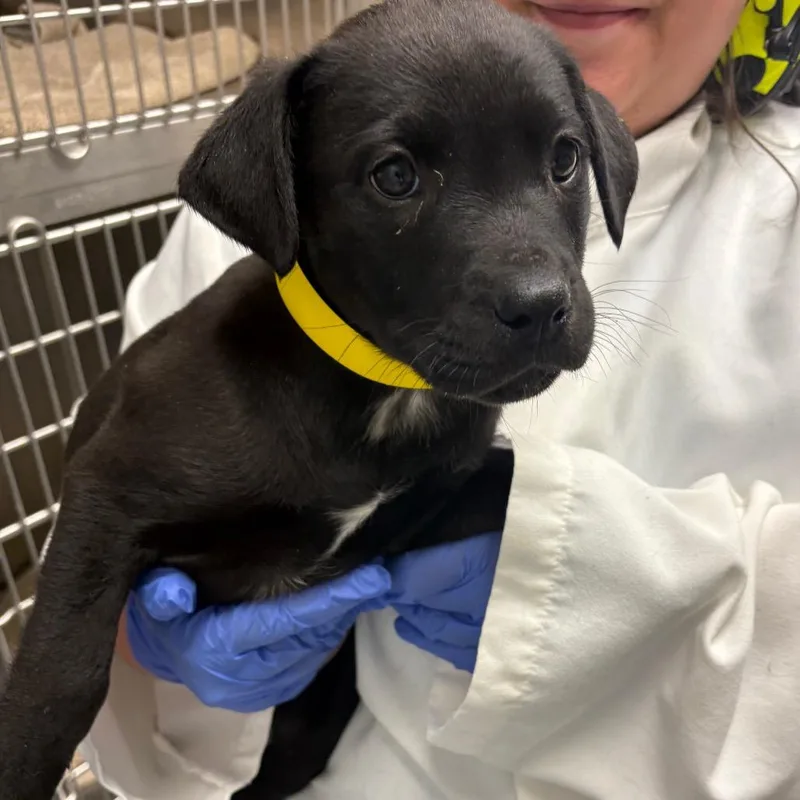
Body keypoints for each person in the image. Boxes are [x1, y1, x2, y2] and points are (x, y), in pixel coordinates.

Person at [80, 1, 800, 798]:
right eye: (396, 177)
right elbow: (116, 516)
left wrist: (610, 584)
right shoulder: (291, 159)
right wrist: (137, 637)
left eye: (562, 160)